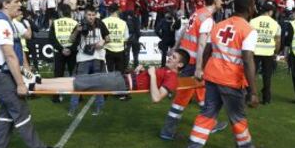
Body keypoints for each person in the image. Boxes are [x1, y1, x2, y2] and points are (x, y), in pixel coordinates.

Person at [0, 0, 61, 148]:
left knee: (6, 112)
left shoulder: (8, 23)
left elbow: (17, 51)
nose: (20, 5)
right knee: (20, 109)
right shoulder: (2, 25)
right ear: (5, 4)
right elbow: (9, 55)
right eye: (16, 1)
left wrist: (26, 70)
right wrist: (21, 84)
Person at [182, 0, 263, 148]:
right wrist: (253, 91)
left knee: (206, 115)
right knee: (237, 117)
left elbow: (207, 51)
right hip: (231, 81)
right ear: (250, 8)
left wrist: (202, 70)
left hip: (212, 77)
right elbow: (248, 60)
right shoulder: (248, 30)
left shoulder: (219, 25)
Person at [160, 0, 227, 141]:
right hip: (192, 64)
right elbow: (202, 45)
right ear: (215, 0)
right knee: (181, 100)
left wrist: (176, 48)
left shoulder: (197, 13)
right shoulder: (208, 19)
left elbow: (184, 31)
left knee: (203, 92)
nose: (222, 1)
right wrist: (198, 67)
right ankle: (167, 131)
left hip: (187, 60)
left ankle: (211, 123)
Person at [32, 49, 190, 103]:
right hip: (121, 78)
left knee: (78, 83)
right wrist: (139, 71)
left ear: (180, 65)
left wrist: (152, 75)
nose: (169, 58)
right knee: (77, 79)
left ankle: (36, 86)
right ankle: (39, 80)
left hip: (120, 83)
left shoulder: (173, 78)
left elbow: (156, 98)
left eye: (174, 58)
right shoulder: (167, 71)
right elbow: (146, 81)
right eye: (171, 56)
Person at [68, 5, 110, 116]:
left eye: (93, 15)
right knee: (78, 84)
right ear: (85, 15)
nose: (91, 17)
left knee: (98, 85)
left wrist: (103, 42)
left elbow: (108, 38)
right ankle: (73, 108)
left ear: (95, 15)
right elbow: (71, 40)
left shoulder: (100, 23)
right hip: (83, 58)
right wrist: (77, 31)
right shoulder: (80, 25)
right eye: (89, 15)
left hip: (98, 57)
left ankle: (99, 108)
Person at [250, 1, 281, 104]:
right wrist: (276, 52)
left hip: (254, 51)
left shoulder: (253, 21)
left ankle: (250, 96)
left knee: (251, 74)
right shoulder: (275, 24)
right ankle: (266, 99)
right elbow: (277, 40)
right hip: (268, 52)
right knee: (267, 76)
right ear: (270, 11)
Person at [49, 4, 78, 103]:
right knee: (74, 74)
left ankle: (56, 97)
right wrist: (70, 48)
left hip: (59, 52)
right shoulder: (75, 22)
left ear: (60, 12)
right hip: (72, 52)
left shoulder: (55, 23)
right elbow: (78, 40)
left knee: (58, 75)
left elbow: (52, 39)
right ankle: (78, 96)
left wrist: (61, 49)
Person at [102, 3, 129, 73]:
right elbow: (126, 37)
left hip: (107, 50)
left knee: (109, 72)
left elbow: (101, 36)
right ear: (118, 10)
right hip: (120, 50)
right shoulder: (123, 22)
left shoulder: (104, 21)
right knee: (119, 74)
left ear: (109, 11)